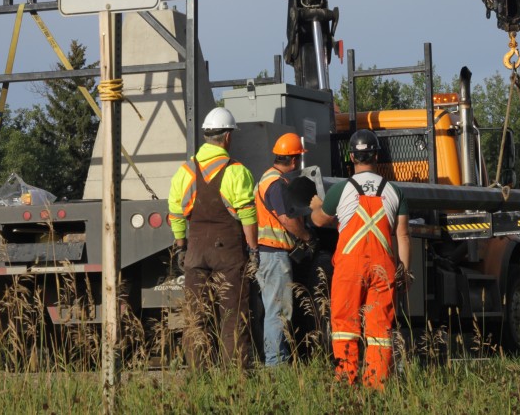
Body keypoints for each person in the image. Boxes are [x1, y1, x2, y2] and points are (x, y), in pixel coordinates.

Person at [310, 129, 411, 390]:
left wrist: (315, 207)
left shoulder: (341, 189)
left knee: (345, 324)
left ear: (351, 157)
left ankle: (346, 380)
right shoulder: (395, 191)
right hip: (383, 268)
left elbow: (320, 221)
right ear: (376, 156)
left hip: (349, 267)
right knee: (380, 329)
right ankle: (376, 384)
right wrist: (405, 272)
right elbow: (402, 235)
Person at [168, 107, 258, 368]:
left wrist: (181, 245)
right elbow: (248, 215)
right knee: (232, 317)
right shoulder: (236, 171)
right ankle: (237, 376)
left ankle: (199, 376)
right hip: (228, 255)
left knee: (196, 318)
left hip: (195, 253)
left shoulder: (185, 171)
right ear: (228, 137)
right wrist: (253, 250)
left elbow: (175, 213)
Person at [255, 132, 313, 367]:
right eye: (298, 159)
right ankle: (276, 365)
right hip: (275, 255)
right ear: (293, 160)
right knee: (278, 312)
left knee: (274, 310)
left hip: (269, 254)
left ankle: (275, 361)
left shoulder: (267, 179)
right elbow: (287, 220)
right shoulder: (277, 184)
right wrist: (307, 237)